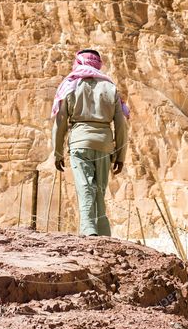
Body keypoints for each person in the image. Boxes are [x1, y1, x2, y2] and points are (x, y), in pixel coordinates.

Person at [51, 49, 129, 237]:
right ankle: (102, 232)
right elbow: (121, 124)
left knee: (85, 186)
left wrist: (57, 152)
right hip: (104, 143)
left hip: (79, 143)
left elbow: (60, 121)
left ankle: (88, 229)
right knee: (100, 188)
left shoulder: (70, 85)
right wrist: (120, 155)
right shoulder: (110, 87)